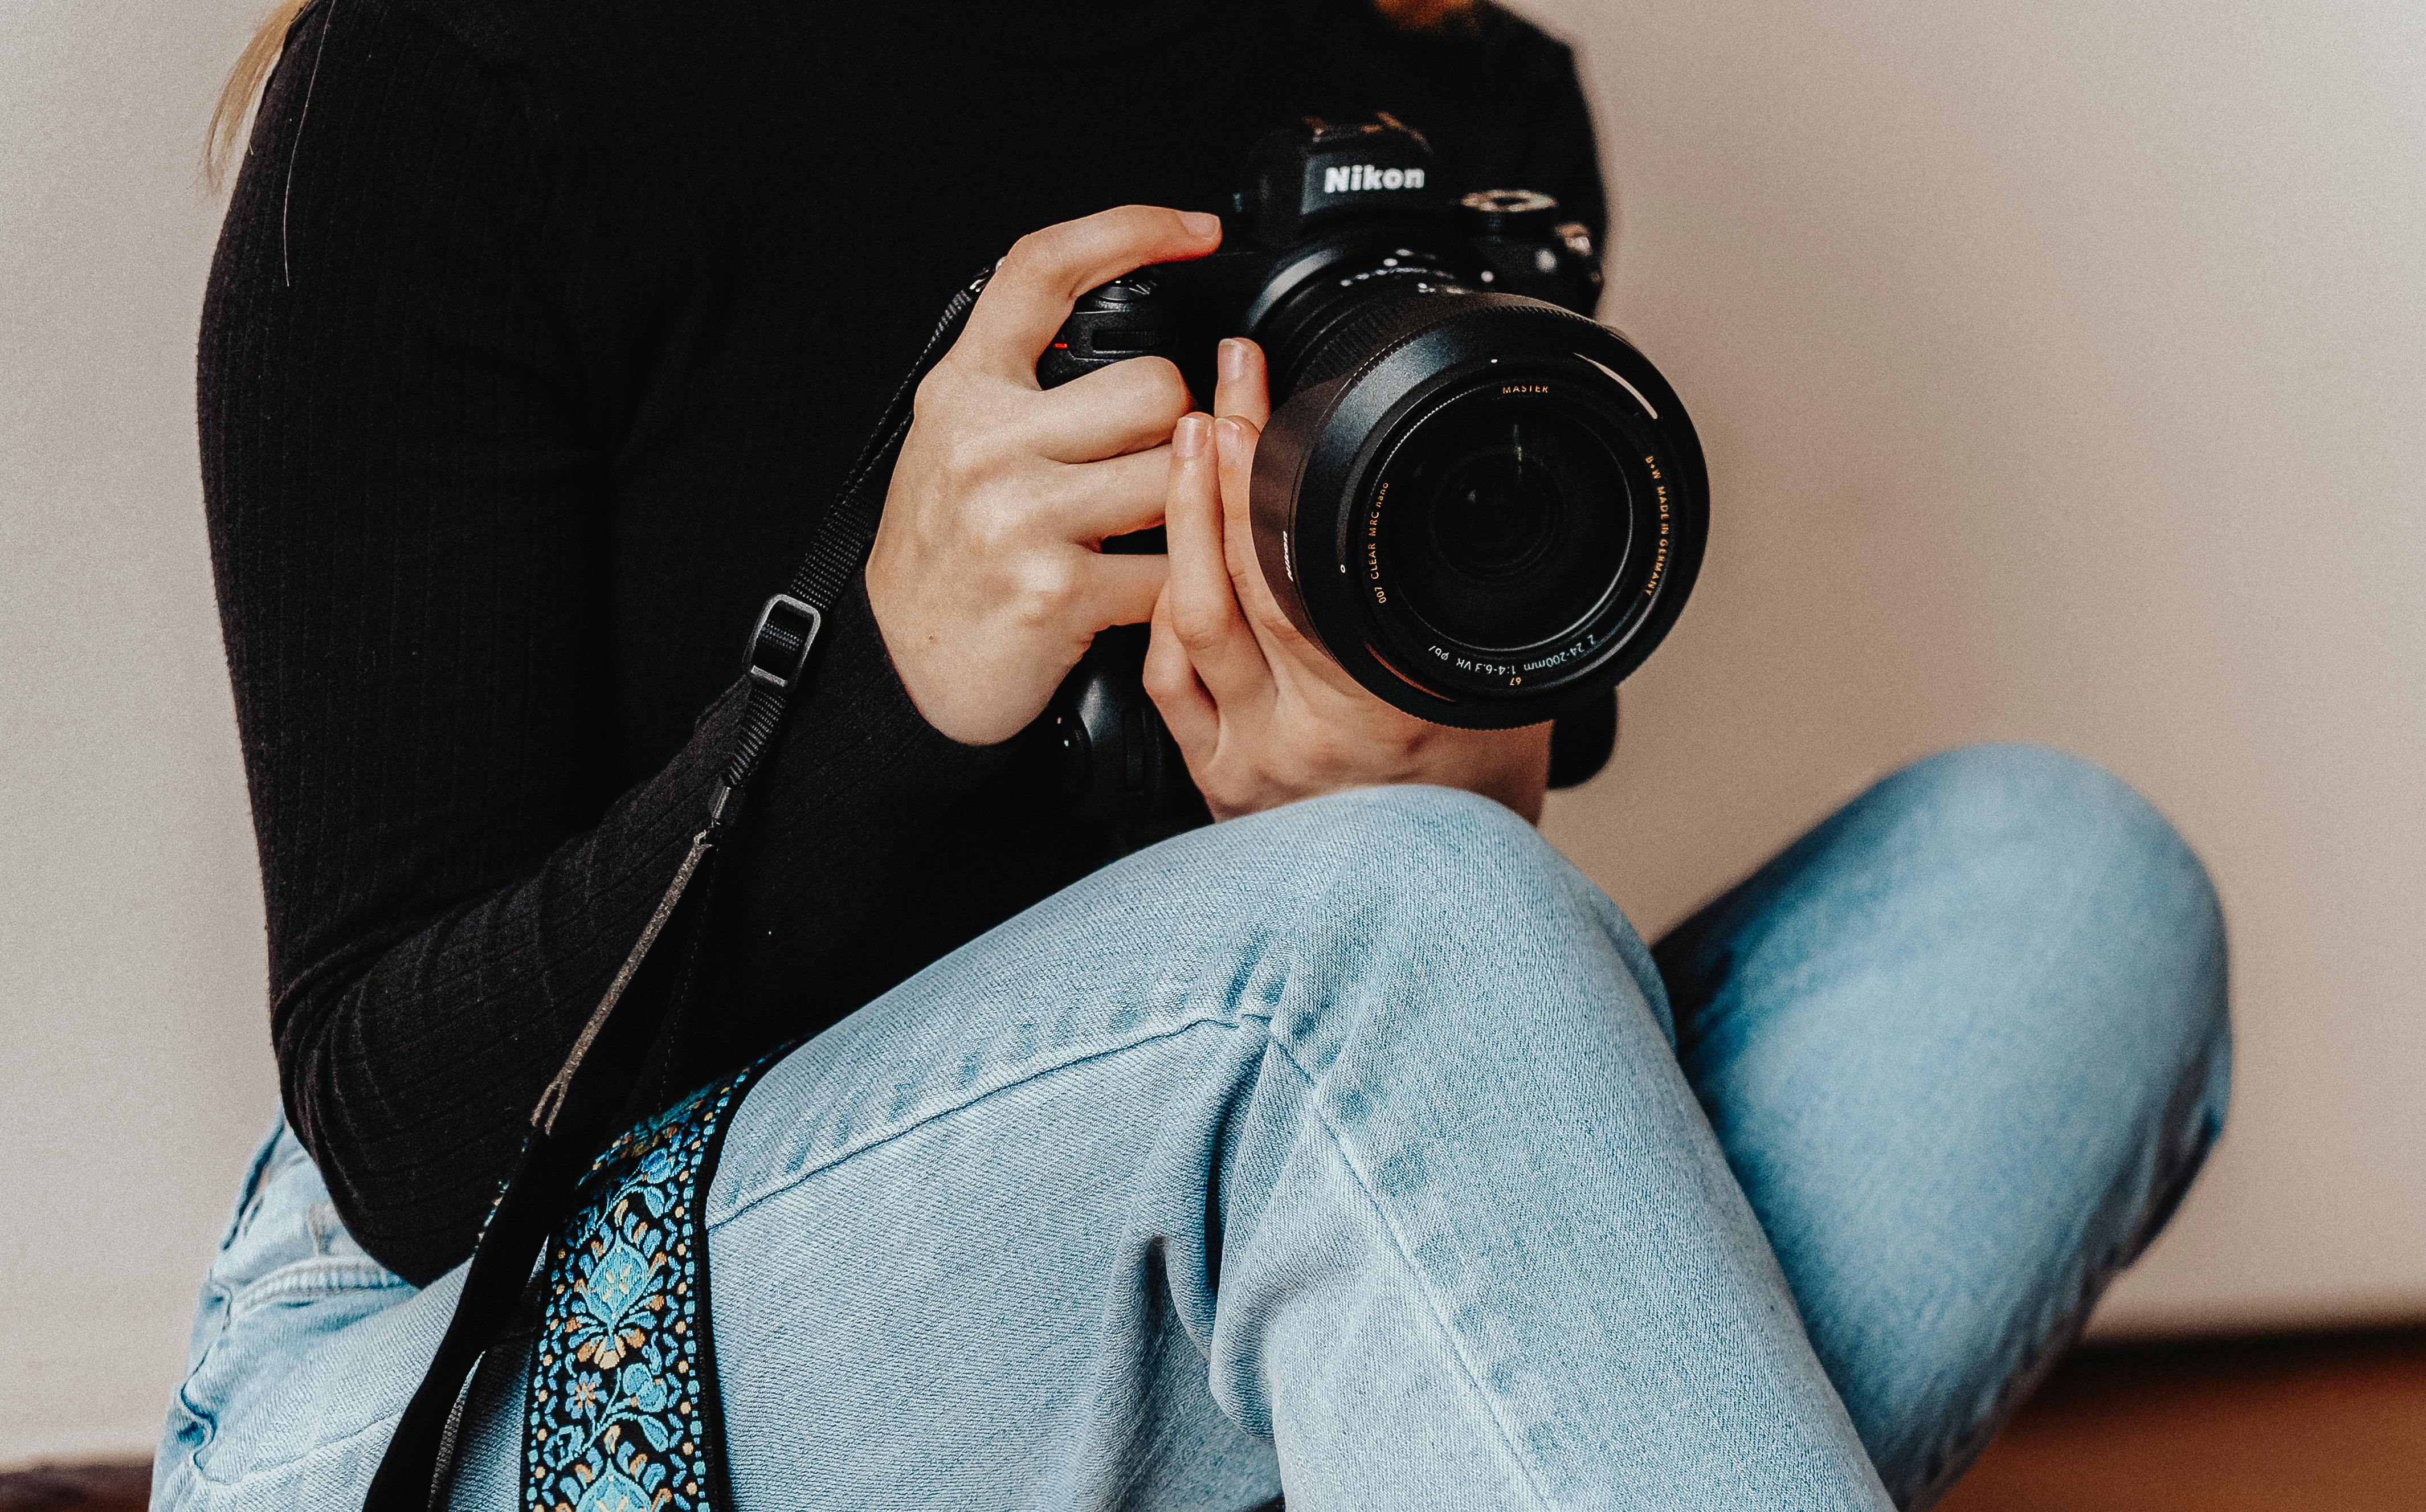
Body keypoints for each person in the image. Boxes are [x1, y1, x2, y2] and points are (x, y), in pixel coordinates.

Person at [157, 0, 2231, 1507]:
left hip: (1179, 1323)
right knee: (1396, 928)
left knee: (2060, 887)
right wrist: (879, 687)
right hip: (495, 1375)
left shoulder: (1452, 98)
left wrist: (1421, 792)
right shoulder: (472, 73)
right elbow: (396, 1128)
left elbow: (1450, 965)